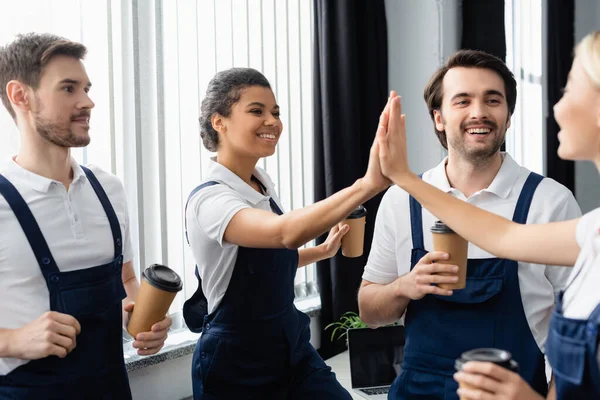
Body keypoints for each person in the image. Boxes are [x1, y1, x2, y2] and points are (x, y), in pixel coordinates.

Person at [375, 30, 600, 400]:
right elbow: (504, 237)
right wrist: (401, 178)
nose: (556, 108)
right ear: (439, 117)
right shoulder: (590, 230)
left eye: (569, 90)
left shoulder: (552, 202)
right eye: (462, 100)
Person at [184, 67, 391, 399]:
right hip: (236, 361)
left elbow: (264, 263)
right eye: (257, 111)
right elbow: (283, 234)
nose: (273, 121)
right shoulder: (210, 200)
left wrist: (321, 252)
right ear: (218, 121)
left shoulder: (260, 184)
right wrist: (367, 186)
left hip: (289, 347)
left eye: (275, 112)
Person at [0, 33, 171, 399]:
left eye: (87, 88)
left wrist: (141, 322)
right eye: (68, 89)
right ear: (20, 96)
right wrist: (12, 340)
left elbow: (126, 281)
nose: (88, 101)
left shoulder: (108, 189)